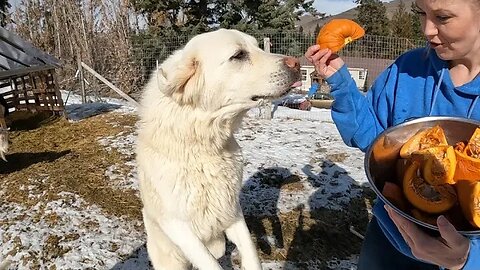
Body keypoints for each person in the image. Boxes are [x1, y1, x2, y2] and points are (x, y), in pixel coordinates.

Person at [305, 0, 480, 269]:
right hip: (388, 242)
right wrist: (340, 82)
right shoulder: (407, 69)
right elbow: (372, 139)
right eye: (421, 13)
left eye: (442, 17)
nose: (427, 30)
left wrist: (467, 259)